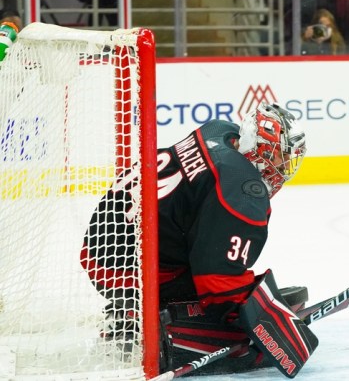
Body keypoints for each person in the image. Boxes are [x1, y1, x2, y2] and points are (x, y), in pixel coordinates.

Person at [81, 103, 318, 376]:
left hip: (105, 242)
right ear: (258, 150)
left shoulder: (219, 133)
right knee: (226, 306)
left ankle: (136, 308)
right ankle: (142, 320)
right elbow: (216, 281)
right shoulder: (242, 191)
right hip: (123, 269)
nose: (285, 169)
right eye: (280, 159)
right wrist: (246, 317)